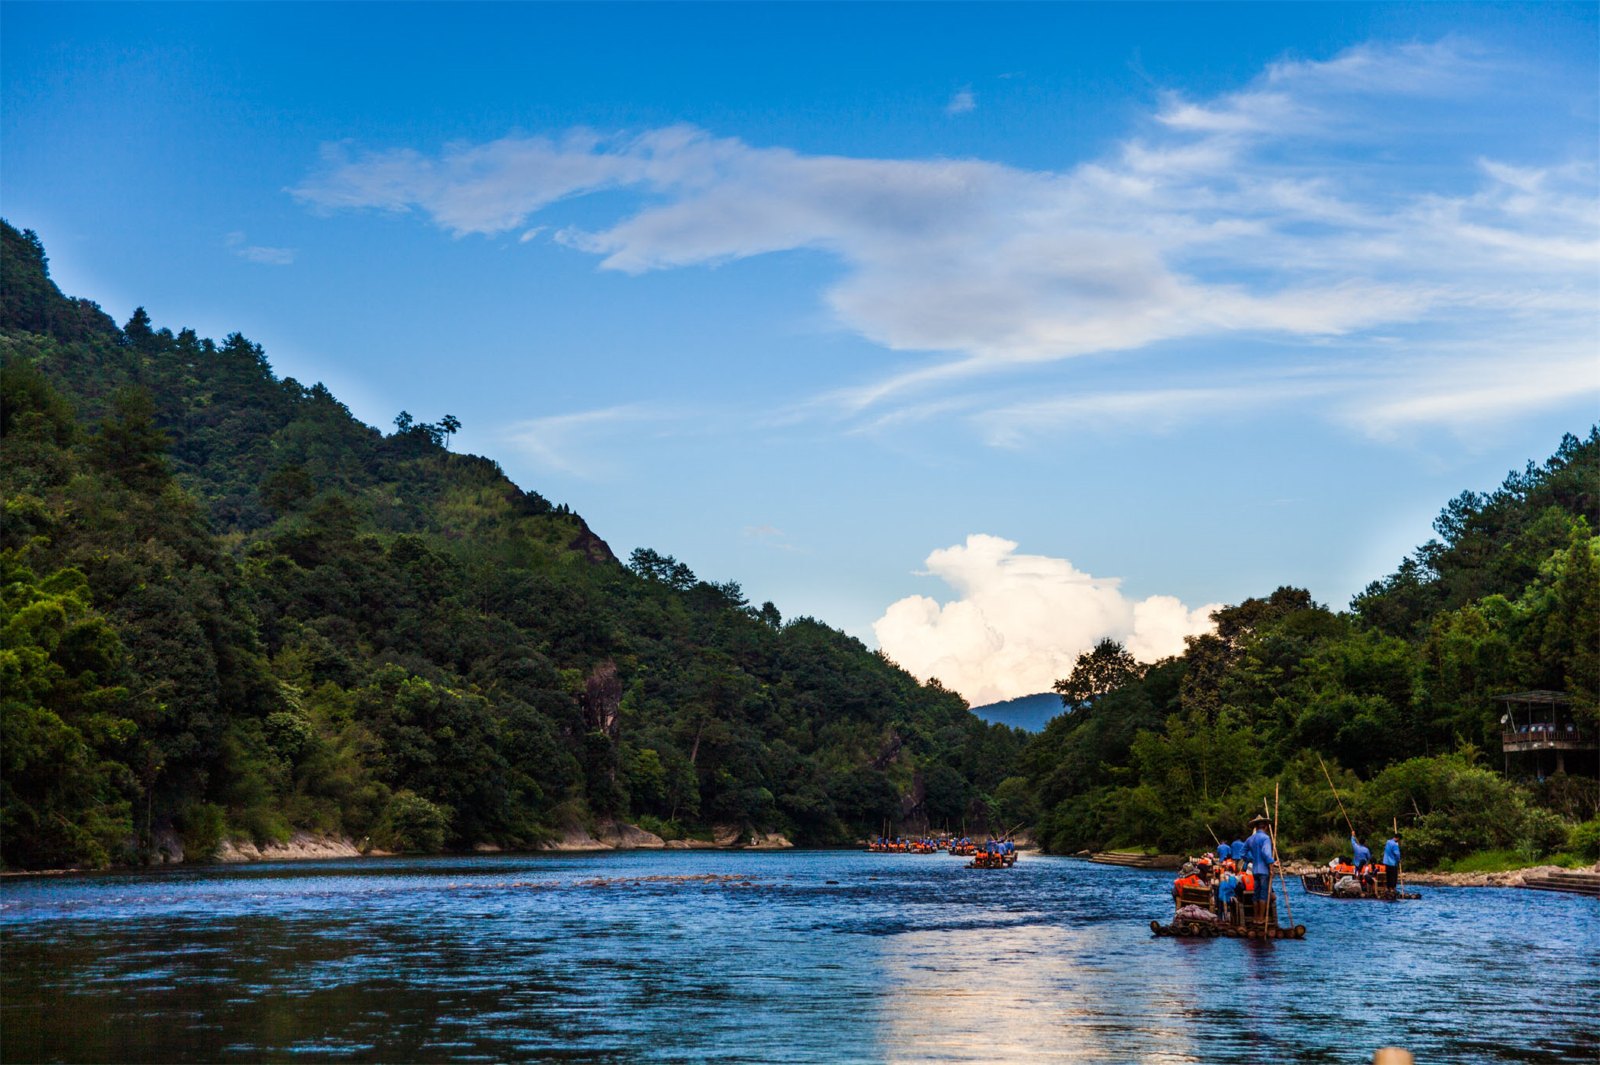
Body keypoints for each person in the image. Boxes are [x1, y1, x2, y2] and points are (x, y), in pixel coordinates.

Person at [1245, 814, 1276, 917]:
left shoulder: (1250, 839)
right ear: (1266, 827)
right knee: (1263, 894)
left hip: (1255, 870)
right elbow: (1266, 853)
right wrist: (1271, 866)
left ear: (1256, 827)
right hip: (1264, 871)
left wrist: (1251, 858)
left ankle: (1256, 918)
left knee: (1256, 894)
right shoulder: (1265, 838)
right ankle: (1261, 918)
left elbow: (1242, 853)